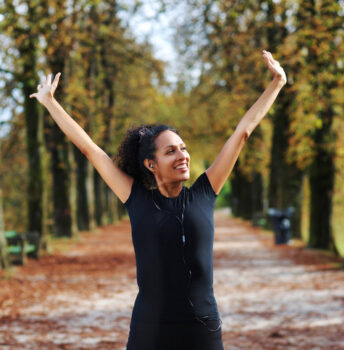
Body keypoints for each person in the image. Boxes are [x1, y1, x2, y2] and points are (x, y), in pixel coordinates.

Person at [30, 50, 286, 349]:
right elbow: (90, 149)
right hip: (149, 329)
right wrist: (50, 103)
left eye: (183, 147)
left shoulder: (205, 192)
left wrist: (277, 83)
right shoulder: (135, 198)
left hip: (202, 327)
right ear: (151, 164)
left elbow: (243, 132)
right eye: (171, 151)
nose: (183, 155)